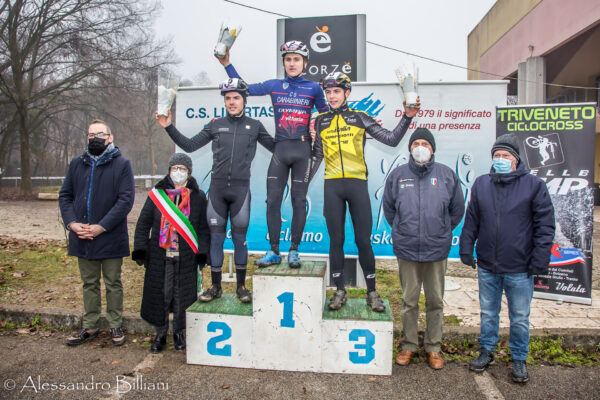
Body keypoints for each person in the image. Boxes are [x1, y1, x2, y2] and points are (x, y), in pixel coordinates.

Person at [156, 78, 274, 303]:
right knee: (216, 240)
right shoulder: (216, 124)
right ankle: (216, 287)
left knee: (240, 240)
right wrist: (168, 126)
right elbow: (189, 145)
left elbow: (277, 148)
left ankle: (241, 288)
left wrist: (301, 140)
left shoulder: (255, 126)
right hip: (218, 191)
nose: (232, 102)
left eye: (236, 98)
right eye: (228, 98)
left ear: (244, 100)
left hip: (240, 191)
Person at [310, 72, 420, 312]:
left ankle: (372, 291)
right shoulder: (320, 121)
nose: (332, 96)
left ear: (347, 93)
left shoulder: (359, 117)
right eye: (328, 92)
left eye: (336, 91)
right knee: (336, 241)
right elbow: (317, 155)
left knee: (363, 240)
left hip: (357, 184)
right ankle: (339, 290)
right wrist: (302, 182)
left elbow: (391, 139)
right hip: (332, 186)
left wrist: (407, 117)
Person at [216, 40, 328, 268]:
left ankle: (294, 250)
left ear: (305, 63)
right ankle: (274, 250)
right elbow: (244, 88)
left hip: (303, 151)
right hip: (281, 150)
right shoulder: (275, 85)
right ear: (283, 63)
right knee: (272, 201)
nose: (292, 63)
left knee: (299, 201)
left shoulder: (314, 88)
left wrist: (317, 127)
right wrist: (227, 64)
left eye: (296, 59)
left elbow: (327, 115)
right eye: (288, 59)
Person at [460, 134, 555, 383]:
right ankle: (486, 351)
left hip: (519, 267)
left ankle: (519, 358)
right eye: (497, 155)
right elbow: (472, 220)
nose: (500, 159)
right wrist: (466, 248)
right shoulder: (481, 184)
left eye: (506, 155)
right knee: (488, 313)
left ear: (516, 159)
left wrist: (540, 258)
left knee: (520, 317)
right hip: (487, 265)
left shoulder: (534, 185)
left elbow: (545, 226)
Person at [383, 128, 465, 369]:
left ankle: (433, 348)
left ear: (432, 149)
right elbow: (390, 210)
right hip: (407, 249)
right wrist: (403, 230)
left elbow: (457, 210)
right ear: (410, 148)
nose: (420, 147)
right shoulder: (398, 176)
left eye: (425, 144)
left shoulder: (447, 175)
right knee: (409, 301)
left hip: (436, 249)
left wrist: (441, 230)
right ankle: (408, 345)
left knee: (435, 300)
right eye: (416, 143)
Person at [59, 120, 134, 346]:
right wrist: (72, 223)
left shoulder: (122, 164)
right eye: (91, 134)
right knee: (89, 283)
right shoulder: (76, 164)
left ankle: (115, 325)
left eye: (100, 134)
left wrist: (101, 226)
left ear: (110, 137)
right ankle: (90, 325)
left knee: (113, 283)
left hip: (110, 236)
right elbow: (65, 196)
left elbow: (125, 200)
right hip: (82, 235)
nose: (95, 138)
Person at [132, 153, 210, 353]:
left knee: (181, 295)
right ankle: (160, 334)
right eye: (175, 168)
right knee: (162, 295)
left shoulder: (198, 197)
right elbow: (143, 224)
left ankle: (178, 333)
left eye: (182, 169)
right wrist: (140, 249)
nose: (178, 172)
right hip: (161, 256)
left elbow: (203, 229)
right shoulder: (157, 195)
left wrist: (203, 253)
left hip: (186, 257)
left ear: (189, 173)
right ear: (169, 171)